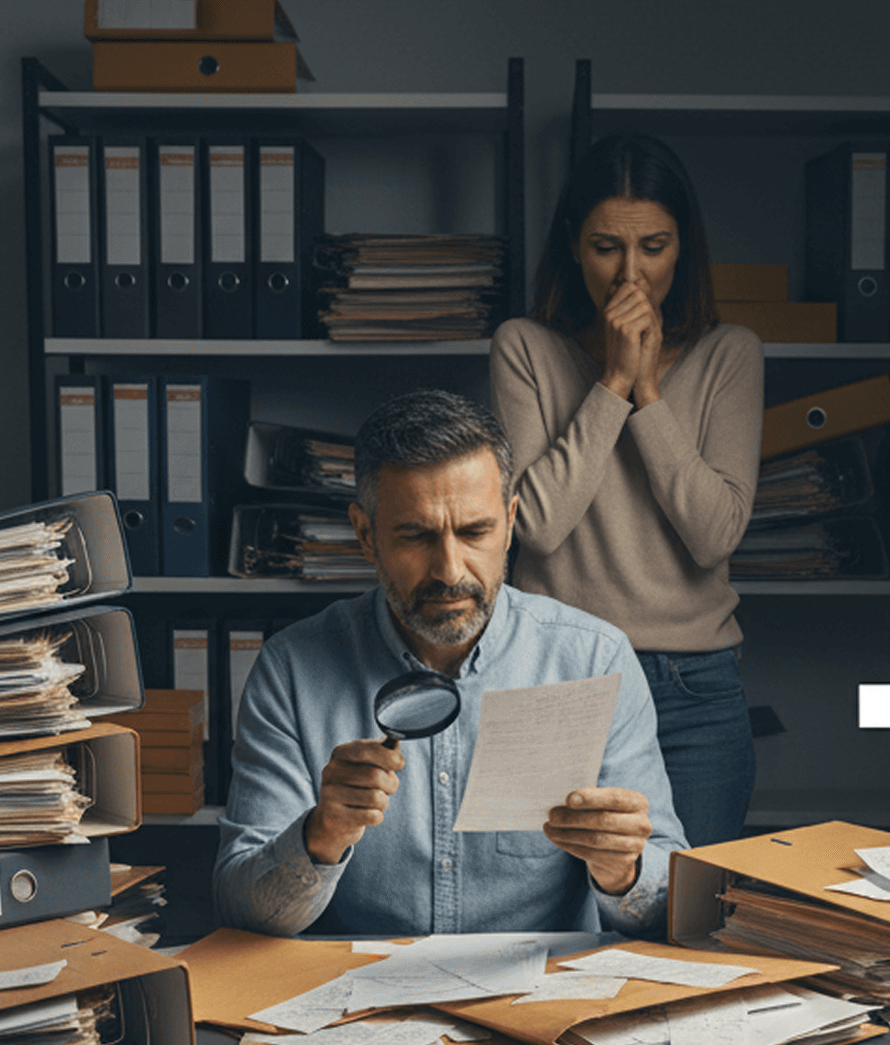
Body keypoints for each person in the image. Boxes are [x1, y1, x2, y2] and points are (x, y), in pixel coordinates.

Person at [213, 389, 687, 937]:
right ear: (366, 535)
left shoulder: (594, 660)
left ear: (510, 523)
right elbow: (238, 908)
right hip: (363, 1002)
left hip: (533, 1001)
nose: (449, 570)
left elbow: (671, 910)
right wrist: (320, 835)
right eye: (416, 535)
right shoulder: (291, 670)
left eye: (475, 531)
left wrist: (623, 871)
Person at [491, 133, 763, 848]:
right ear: (575, 248)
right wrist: (612, 380)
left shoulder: (728, 353)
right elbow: (538, 525)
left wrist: (648, 391)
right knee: (554, 918)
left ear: (684, 248)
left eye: (655, 246)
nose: (630, 272)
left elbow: (714, 534)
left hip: (694, 687)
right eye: (606, 246)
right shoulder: (524, 347)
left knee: (687, 922)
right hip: (556, 675)